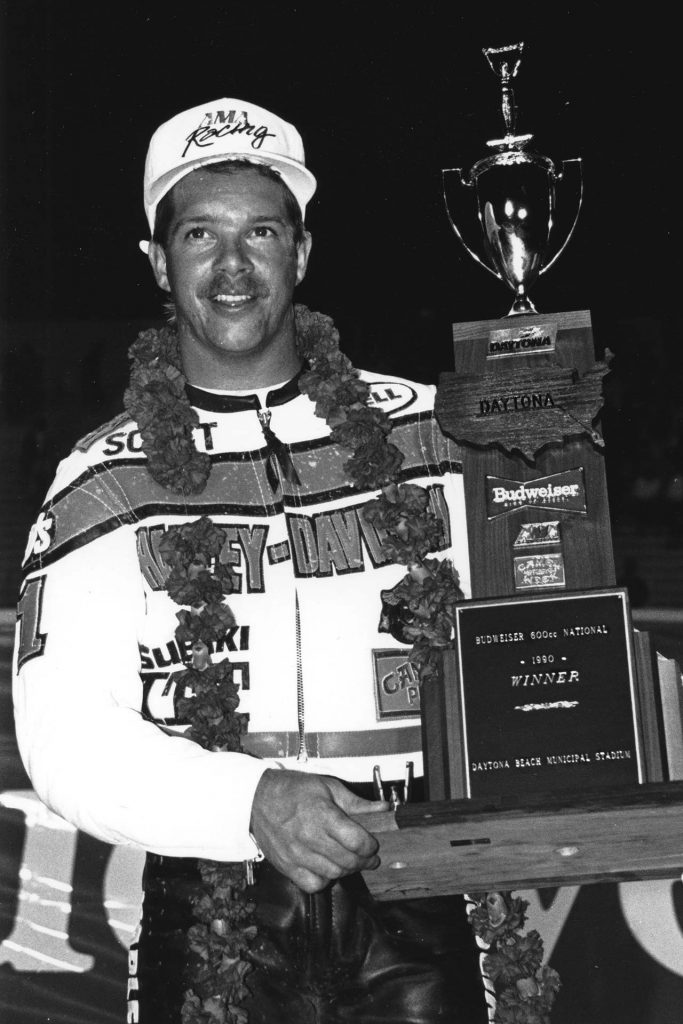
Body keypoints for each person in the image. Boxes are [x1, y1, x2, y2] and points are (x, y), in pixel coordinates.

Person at [13, 99, 486, 1023]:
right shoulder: (99, 479)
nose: (232, 267)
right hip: (215, 905)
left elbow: (545, 625)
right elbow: (60, 731)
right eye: (199, 233)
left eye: (260, 231)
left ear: (301, 253)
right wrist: (248, 800)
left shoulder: (437, 430)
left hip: (425, 889)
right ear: (158, 261)